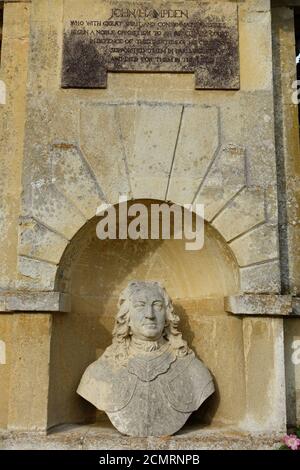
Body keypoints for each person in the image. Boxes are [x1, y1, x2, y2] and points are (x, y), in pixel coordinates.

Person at [77, 280, 214, 437]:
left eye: (157, 306)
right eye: (140, 306)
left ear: (168, 316)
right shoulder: (98, 372)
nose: (150, 315)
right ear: (126, 317)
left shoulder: (194, 371)